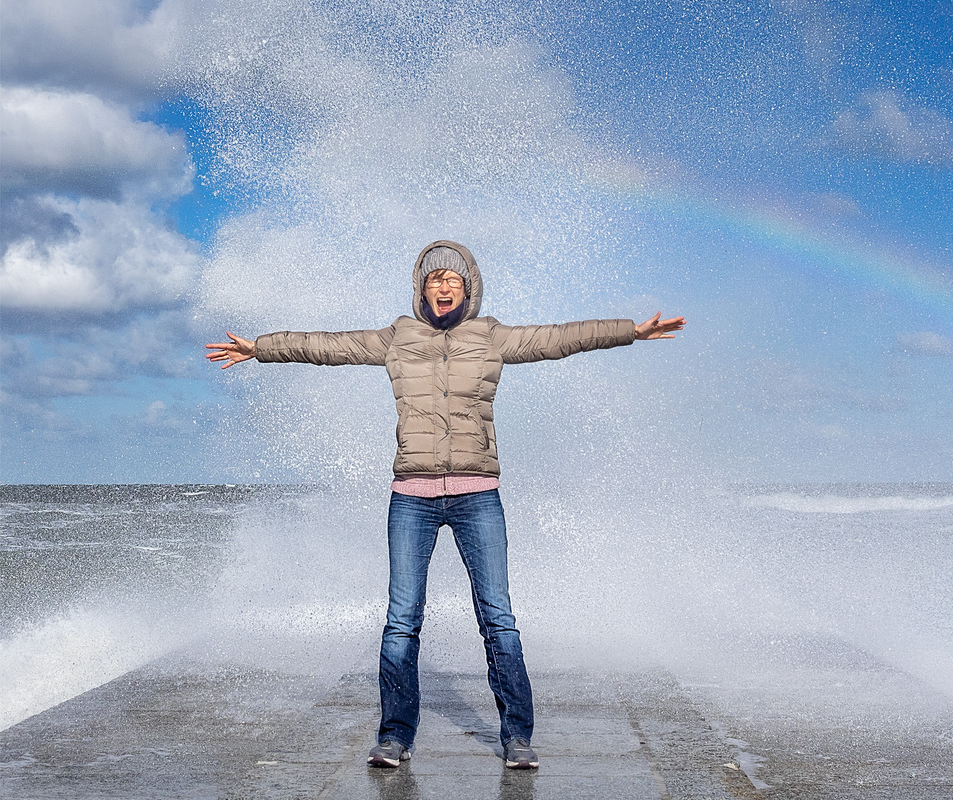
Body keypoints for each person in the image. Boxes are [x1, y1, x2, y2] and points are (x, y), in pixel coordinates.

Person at [206, 240, 685, 770]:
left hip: (477, 494)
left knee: (498, 617)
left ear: (468, 288)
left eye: (453, 280)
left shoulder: (491, 336)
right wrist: (261, 348)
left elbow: (560, 338)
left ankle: (517, 737)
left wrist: (631, 332)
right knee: (401, 620)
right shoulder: (397, 337)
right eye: (434, 279)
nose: (443, 286)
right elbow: (329, 345)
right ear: (422, 289)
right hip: (411, 497)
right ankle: (394, 737)